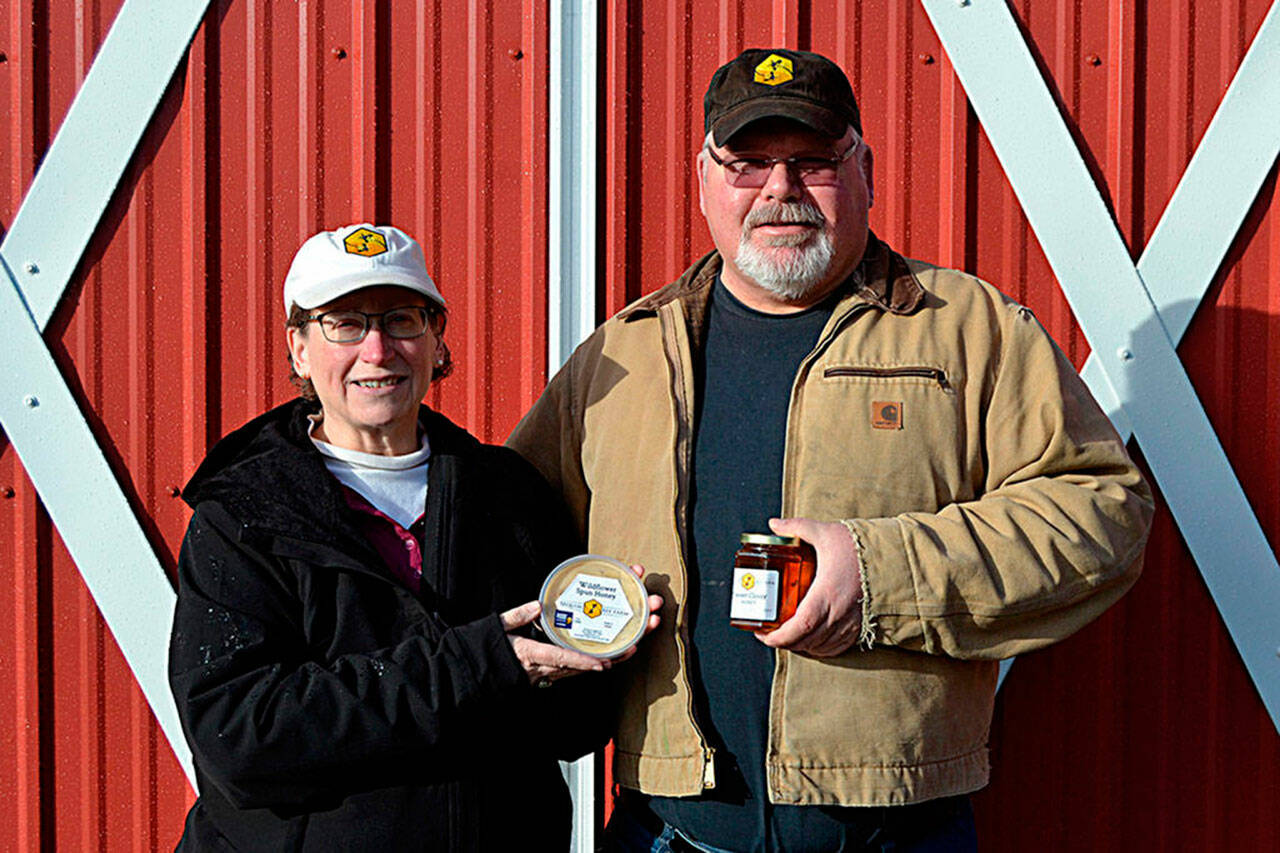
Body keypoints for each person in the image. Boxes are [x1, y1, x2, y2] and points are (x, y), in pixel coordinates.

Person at [508, 49, 1154, 851]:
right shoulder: (625, 354)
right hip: (666, 830)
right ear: (702, 178)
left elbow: (1101, 510)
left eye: (813, 161)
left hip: (895, 833)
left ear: (865, 170)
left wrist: (882, 572)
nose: (780, 189)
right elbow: (508, 534)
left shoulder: (967, 328)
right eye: (747, 163)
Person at [168, 223, 660, 851]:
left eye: (401, 319)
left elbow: (571, 731)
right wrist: (483, 665)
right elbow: (238, 737)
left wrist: (600, 640)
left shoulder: (508, 494)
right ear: (298, 348)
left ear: (435, 340)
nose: (377, 350)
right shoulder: (247, 514)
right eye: (344, 323)